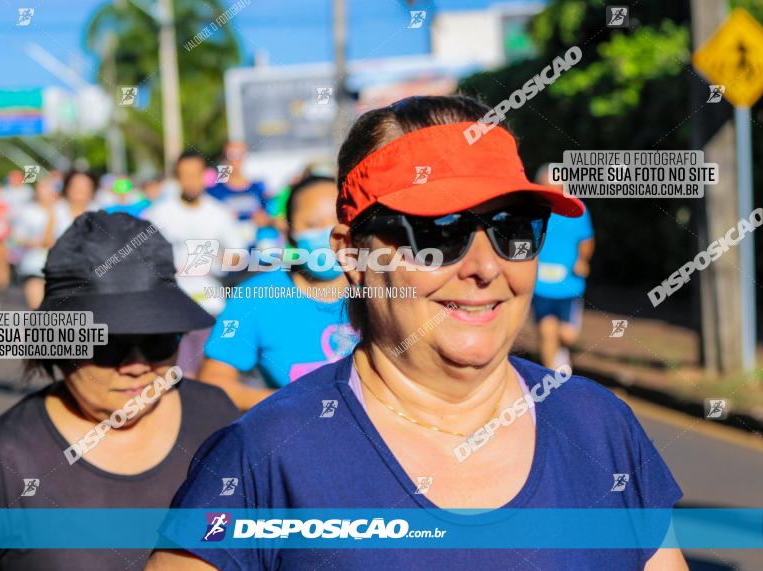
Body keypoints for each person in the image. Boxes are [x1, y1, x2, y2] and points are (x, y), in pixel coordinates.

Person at [148, 96, 686, 570]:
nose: (486, 267)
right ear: (350, 254)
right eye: (437, 232)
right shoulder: (264, 457)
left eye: (512, 229)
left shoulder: (598, 426)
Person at [0, 211, 240, 570]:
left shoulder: (217, 418)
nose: (137, 365)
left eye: (158, 339)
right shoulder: (6, 457)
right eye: (107, 344)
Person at [197, 174, 359, 411]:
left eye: (336, 222)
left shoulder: (381, 288)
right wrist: (291, 404)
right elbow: (213, 382)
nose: (328, 235)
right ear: (289, 230)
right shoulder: (256, 297)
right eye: (313, 225)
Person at [143, 150, 245, 375]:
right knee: (179, 376)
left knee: (209, 375)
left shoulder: (219, 213)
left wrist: (212, 260)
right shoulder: (158, 213)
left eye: (195, 174)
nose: (190, 181)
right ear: (177, 178)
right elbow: (141, 255)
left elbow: (239, 256)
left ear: (204, 176)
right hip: (172, 308)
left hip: (211, 307)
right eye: (184, 175)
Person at [531, 165, 594, 372]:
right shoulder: (533, 211)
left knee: (568, 334)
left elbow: (587, 240)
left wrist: (583, 260)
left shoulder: (577, 210)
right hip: (540, 286)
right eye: (548, 188)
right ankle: (555, 380)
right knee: (547, 329)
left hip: (569, 284)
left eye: (557, 188)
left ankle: (561, 354)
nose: (554, 193)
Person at [11, 175, 63, 310]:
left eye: (49, 188)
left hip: (61, 268)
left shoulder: (64, 208)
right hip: (33, 266)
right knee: (38, 309)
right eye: (42, 188)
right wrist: (32, 242)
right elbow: (16, 238)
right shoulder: (28, 211)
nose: (45, 192)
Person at [206, 141, 271, 247]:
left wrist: (265, 220)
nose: (236, 158)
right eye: (231, 153)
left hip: (255, 253)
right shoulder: (214, 191)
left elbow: (273, 218)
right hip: (226, 253)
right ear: (224, 156)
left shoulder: (258, 188)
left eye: (240, 153)